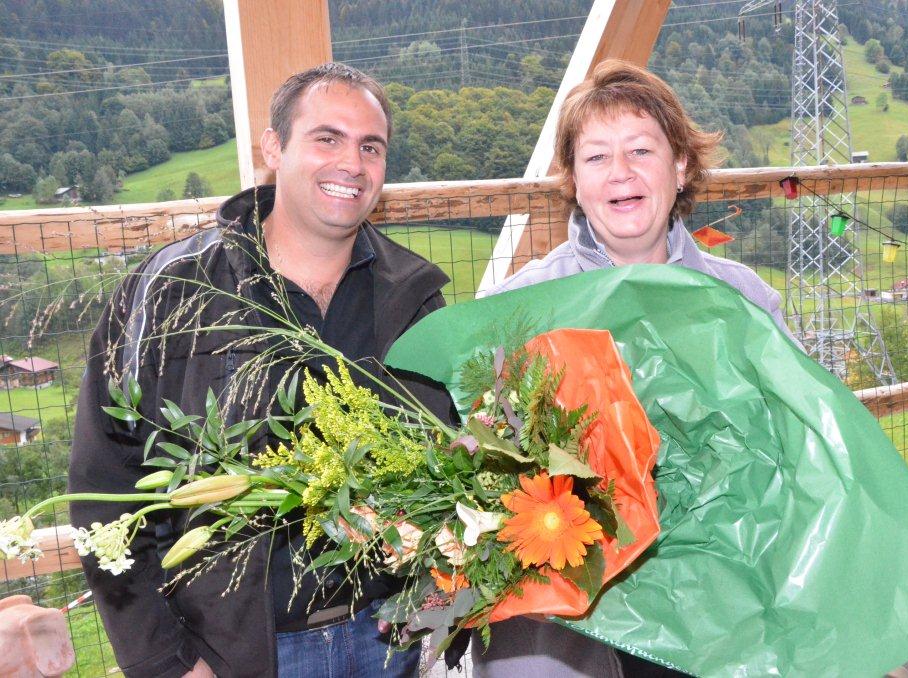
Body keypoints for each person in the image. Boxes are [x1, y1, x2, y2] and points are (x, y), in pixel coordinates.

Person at [68, 63, 454, 678]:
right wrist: (165, 662)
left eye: (371, 147)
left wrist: (442, 592)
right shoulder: (172, 291)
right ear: (273, 148)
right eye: (327, 138)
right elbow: (103, 482)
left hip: (390, 640)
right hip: (238, 656)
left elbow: (452, 466)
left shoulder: (414, 297)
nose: (351, 163)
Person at [474, 60, 795, 677]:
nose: (620, 172)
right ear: (575, 181)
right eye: (596, 157)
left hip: (713, 598)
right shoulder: (519, 308)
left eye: (641, 150)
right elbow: (482, 459)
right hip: (568, 607)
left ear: (681, 166)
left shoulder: (745, 301)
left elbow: (799, 445)